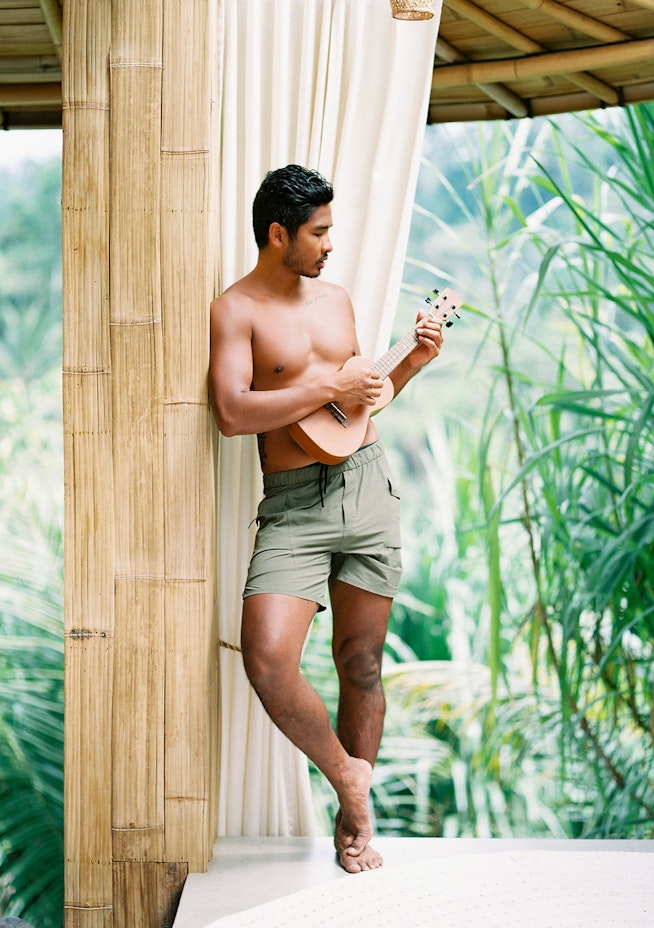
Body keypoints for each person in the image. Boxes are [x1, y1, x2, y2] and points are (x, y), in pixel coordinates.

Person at [208, 164, 444, 873]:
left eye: (332, 230)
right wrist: (326, 382)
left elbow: (353, 410)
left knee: (361, 662)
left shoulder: (337, 301)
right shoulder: (235, 311)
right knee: (270, 657)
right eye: (319, 232)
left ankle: (354, 821)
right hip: (292, 505)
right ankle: (347, 771)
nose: (330, 244)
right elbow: (230, 413)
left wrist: (415, 362)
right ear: (278, 234)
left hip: (367, 487)